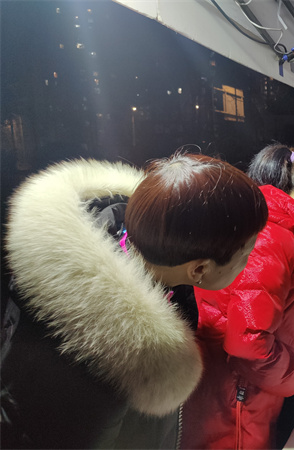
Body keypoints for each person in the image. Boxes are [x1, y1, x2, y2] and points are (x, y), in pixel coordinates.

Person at [1, 153, 269, 449]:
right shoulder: (103, 360)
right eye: (245, 255)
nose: (248, 262)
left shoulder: (141, 235)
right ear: (199, 269)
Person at [180, 150, 294, 450]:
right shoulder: (271, 238)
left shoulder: (275, 227)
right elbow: (248, 343)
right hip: (238, 394)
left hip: (247, 385)